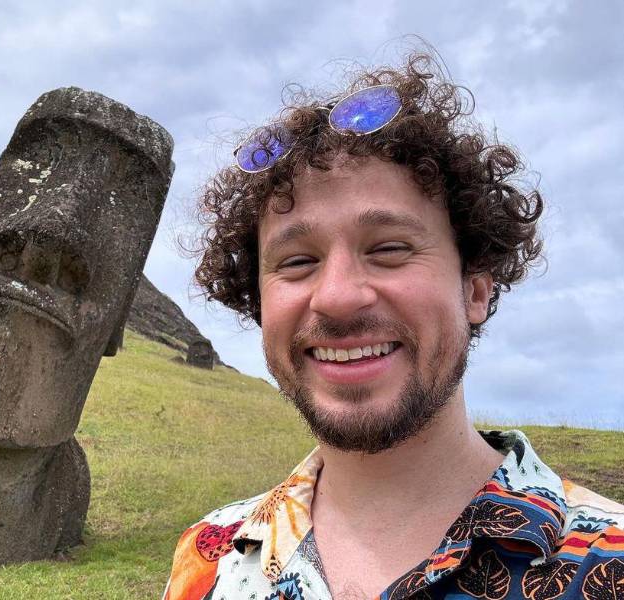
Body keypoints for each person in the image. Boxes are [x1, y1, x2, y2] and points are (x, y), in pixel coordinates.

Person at [163, 53, 624, 600]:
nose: (335, 297)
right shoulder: (207, 557)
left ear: (475, 289)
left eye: (388, 249)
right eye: (296, 261)